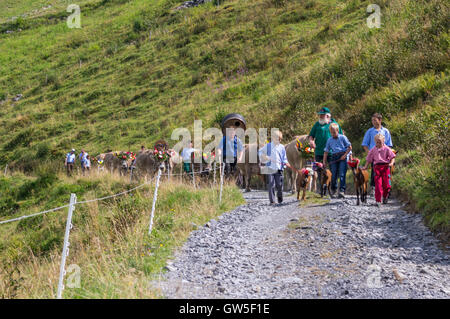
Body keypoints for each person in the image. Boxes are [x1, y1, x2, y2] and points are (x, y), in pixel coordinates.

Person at [308, 107, 342, 191]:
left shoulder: (334, 124)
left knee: (333, 171)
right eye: (320, 115)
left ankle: (333, 188)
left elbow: (341, 136)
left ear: (328, 116)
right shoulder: (317, 124)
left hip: (332, 152)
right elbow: (311, 135)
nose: (320, 117)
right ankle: (322, 189)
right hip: (319, 151)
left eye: (322, 115)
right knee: (320, 171)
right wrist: (311, 141)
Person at [362, 113, 393, 195]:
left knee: (386, 172)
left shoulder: (385, 131)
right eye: (372, 120)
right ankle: (373, 187)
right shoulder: (370, 131)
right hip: (374, 154)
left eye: (375, 120)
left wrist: (389, 155)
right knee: (374, 172)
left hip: (385, 155)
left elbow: (389, 144)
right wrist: (370, 154)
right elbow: (365, 144)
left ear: (380, 120)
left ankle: (387, 189)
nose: (373, 122)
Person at [258, 130, 293, 205]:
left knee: (279, 185)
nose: (278, 140)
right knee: (271, 184)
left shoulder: (282, 147)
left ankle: (280, 198)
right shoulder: (268, 146)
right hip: (270, 168)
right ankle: (272, 200)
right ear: (273, 138)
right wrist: (264, 156)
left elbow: (284, 158)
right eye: (277, 139)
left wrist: (286, 164)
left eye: (280, 139)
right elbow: (260, 152)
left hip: (279, 168)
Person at [362, 134, 396, 207]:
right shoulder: (373, 150)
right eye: (377, 142)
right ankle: (378, 200)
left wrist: (391, 163)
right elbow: (368, 159)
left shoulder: (387, 149)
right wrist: (365, 166)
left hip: (385, 167)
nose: (378, 144)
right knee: (378, 184)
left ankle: (385, 196)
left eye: (380, 142)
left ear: (383, 141)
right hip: (377, 167)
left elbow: (392, 156)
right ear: (375, 142)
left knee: (387, 185)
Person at [323, 123, 352, 198]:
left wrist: (345, 156)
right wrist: (324, 161)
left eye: (334, 132)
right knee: (333, 174)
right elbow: (326, 151)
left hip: (342, 156)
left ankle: (342, 190)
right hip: (334, 157)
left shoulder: (343, 137)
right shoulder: (329, 140)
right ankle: (334, 189)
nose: (333, 134)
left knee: (342, 174)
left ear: (337, 130)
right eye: (331, 133)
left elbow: (349, 147)